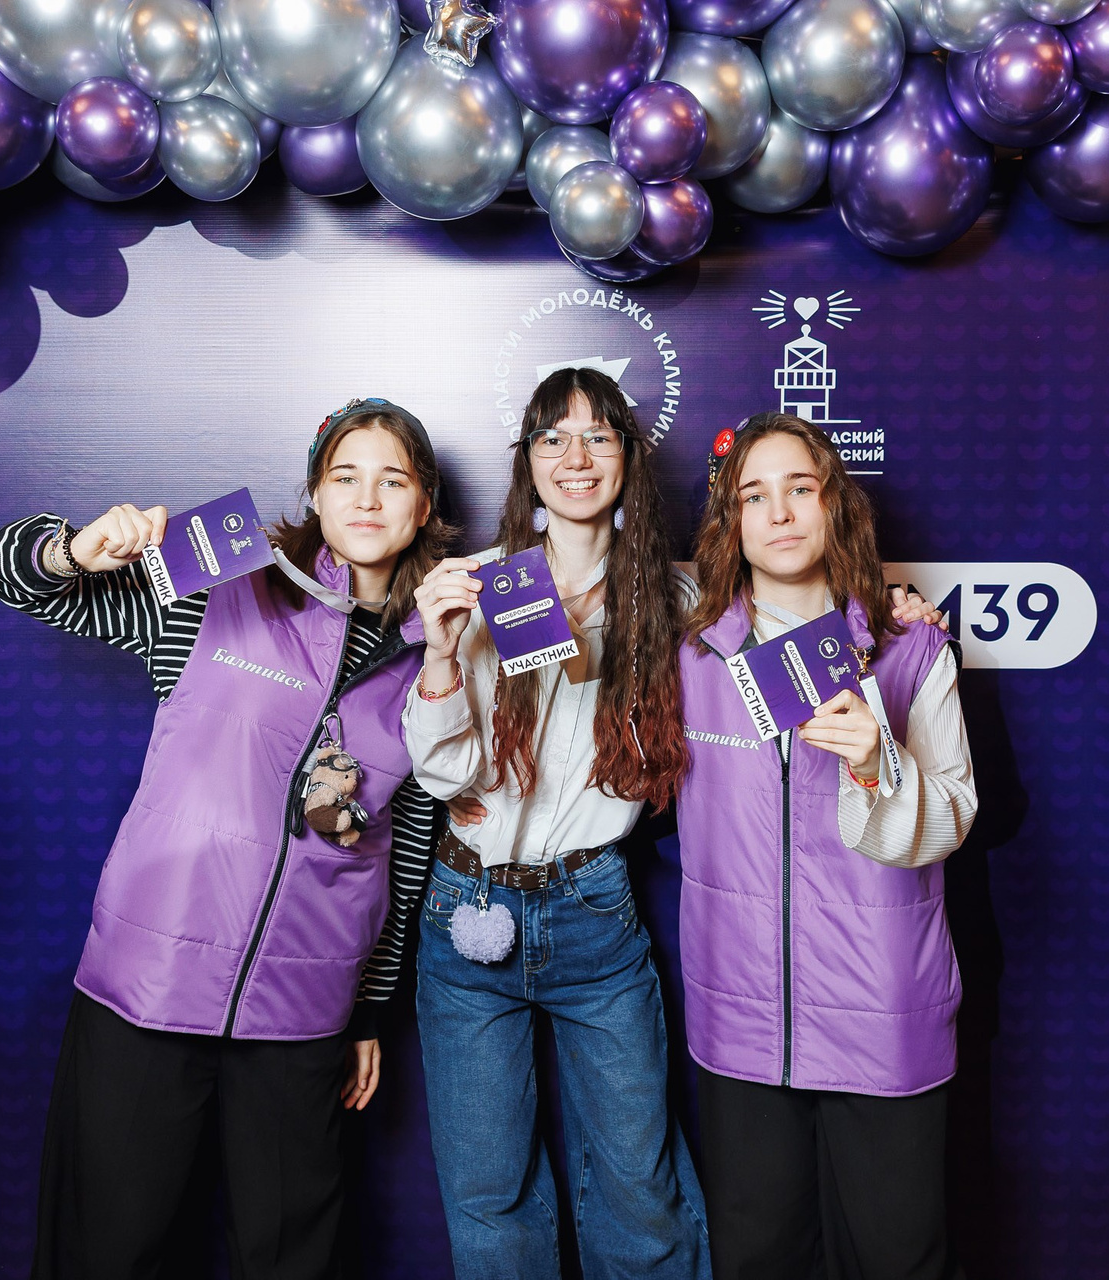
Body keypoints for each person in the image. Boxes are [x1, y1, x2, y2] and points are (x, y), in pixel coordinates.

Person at [0, 400, 452, 1280]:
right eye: (345, 476)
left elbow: (407, 852)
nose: (366, 499)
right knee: (104, 1253)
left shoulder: (438, 653)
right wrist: (71, 551)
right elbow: (15, 577)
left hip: (306, 1010)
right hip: (148, 987)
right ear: (314, 492)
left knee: (292, 1262)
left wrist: (368, 1010)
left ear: (424, 506)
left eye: (393, 481)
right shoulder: (222, 584)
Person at [403, 367, 710, 1280]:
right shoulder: (477, 585)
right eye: (552, 438)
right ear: (528, 461)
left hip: (592, 909)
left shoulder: (677, 602)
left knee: (638, 1182)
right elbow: (442, 774)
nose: (576, 457)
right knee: (487, 1192)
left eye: (598, 437)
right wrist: (441, 655)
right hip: (466, 908)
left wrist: (896, 619)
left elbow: (788, 630)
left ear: (629, 458)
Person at [676, 413, 978, 1280]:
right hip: (740, 1021)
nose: (778, 513)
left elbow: (953, 816)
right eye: (753, 496)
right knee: (757, 1258)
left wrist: (880, 765)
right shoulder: (691, 656)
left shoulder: (910, 649)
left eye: (800, 489)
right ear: (730, 521)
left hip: (881, 1016)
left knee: (896, 1259)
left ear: (835, 504)